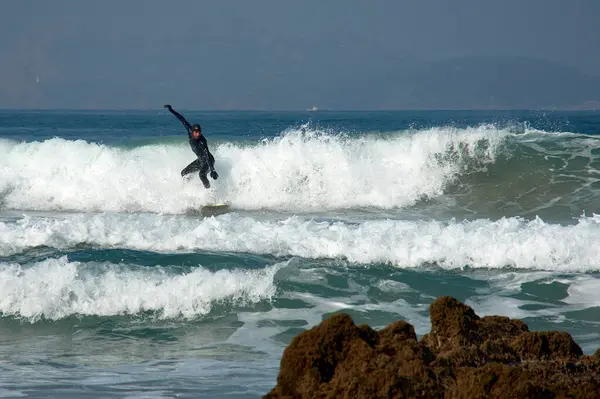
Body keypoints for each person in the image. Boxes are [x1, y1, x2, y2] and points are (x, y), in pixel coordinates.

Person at [164, 104, 218, 188]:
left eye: (199, 132)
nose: (198, 134)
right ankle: (186, 189)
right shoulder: (189, 130)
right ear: (192, 132)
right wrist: (171, 110)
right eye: (196, 132)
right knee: (184, 173)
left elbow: (207, 154)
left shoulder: (202, 142)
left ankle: (209, 192)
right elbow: (182, 119)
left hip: (209, 160)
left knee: (201, 174)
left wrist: (212, 169)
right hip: (200, 161)